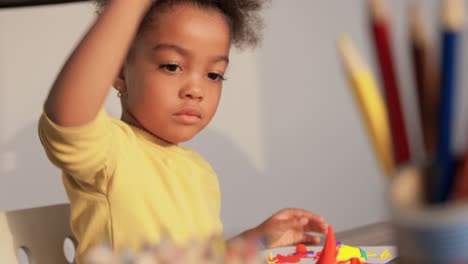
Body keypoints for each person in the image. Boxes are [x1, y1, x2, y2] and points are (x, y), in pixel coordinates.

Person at [38, 0, 328, 262]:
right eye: (173, 66)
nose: (195, 89)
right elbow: (67, 115)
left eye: (213, 74)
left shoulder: (199, 172)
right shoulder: (111, 152)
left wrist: (257, 239)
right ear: (120, 72)